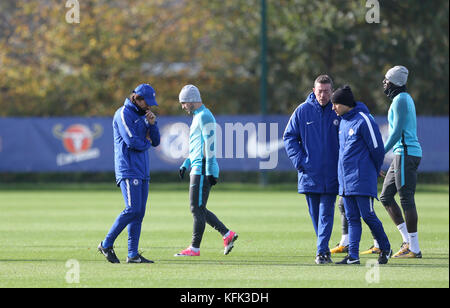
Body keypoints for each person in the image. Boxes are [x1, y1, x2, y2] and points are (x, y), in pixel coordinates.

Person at [98, 83, 160, 263]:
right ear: (136, 98)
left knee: (139, 212)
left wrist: (153, 125)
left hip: (142, 169)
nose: (148, 106)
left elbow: (155, 141)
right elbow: (133, 142)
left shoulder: (144, 116)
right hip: (128, 169)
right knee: (132, 209)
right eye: (146, 102)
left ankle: (132, 254)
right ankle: (106, 243)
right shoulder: (123, 113)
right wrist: (146, 142)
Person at [331, 85, 391, 265]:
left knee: (368, 215)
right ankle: (353, 256)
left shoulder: (364, 120)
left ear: (346, 104)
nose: (333, 107)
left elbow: (378, 149)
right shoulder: (342, 121)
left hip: (362, 178)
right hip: (346, 180)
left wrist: (374, 168)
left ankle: (385, 248)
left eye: (336, 104)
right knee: (351, 218)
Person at [175, 84, 238, 257]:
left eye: (184, 103)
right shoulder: (198, 116)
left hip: (203, 167)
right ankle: (227, 234)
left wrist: (210, 170)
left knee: (197, 208)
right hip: (197, 166)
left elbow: (210, 146)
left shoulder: (204, 116)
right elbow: (197, 146)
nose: (183, 106)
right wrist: (186, 163)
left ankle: (195, 248)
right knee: (198, 208)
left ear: (191, 101)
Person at [283, 75, 340, 264]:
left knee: (326, 213)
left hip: (332, 174)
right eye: (320, 91)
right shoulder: (302, 111)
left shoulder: (338, 110)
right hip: (309, 174)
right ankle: (324, 249)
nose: (323, 95)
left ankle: (321, 252)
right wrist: (301, 161)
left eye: (326, 91)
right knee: (316, 216)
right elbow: (289, 137)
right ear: (314, 90)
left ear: (332, 91)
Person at [379, 65, 422, 258]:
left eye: (387, 80)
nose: (384, 83)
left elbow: (396, 133)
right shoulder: (401, 99)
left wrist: (380, 153)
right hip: (401, 154)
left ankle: (414, 248)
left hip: (405, 153)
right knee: (386, 196)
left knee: (406, 198)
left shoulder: (401, 100)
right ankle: (407, 241)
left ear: (395, 82)